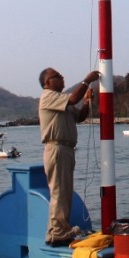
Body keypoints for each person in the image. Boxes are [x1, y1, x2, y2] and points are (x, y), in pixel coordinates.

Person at [38, 66, 100, 247]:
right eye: (57, 76)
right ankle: (58, 233)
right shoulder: (48, 96)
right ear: (48, 82)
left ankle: (56, 231)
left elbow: (79, 116)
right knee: (59, 192)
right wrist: (87, 80)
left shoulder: (60, 100)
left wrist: (87, 102)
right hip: (56, 148)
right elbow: (74, 98)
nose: (62, 77)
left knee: (64, 191)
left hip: (65, 149)